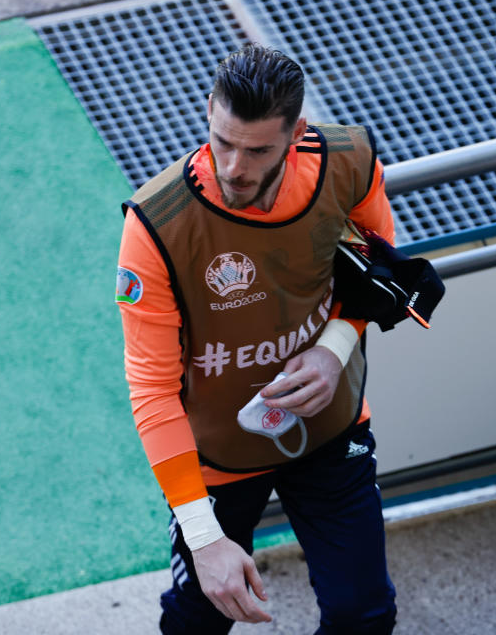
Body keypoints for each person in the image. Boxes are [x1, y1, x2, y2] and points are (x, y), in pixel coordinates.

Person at [115, 43, 398, 634]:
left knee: (364, 616)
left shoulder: (349, 162)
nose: (235, 167)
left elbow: (383, 272)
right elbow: (152, 391)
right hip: (217, 461)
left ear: (296, 132)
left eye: (258, 149)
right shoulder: (156, 224)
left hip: (328, 429)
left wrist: (335, 348)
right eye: (223, 141)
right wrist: (203, 536)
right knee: (200, 618)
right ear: (209, 110)